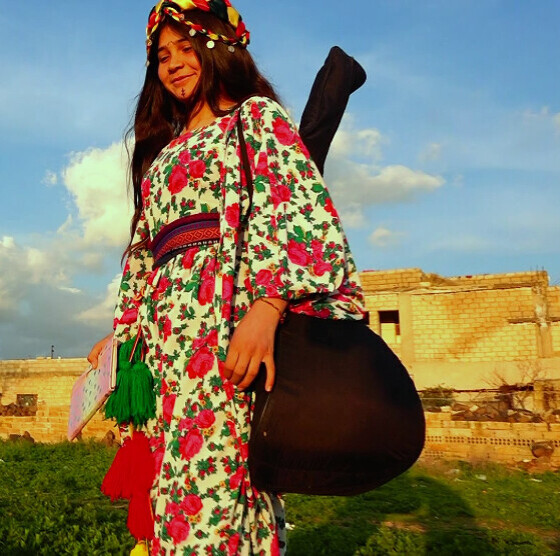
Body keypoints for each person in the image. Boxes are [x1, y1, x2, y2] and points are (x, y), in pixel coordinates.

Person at [87, 1, 366, 553]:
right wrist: (124, 335)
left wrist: (267, 309)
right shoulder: (162, 156)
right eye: (161, 55)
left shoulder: (255, 120)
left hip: (224, 337)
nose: (173, 63)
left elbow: (294, 210)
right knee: (169, 494)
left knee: (216, 492)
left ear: (218, 47)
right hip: (164, 349)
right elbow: (145, 253)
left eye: (186, 47)